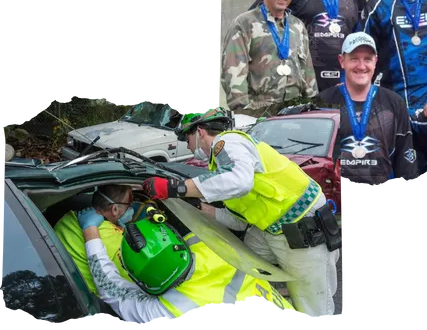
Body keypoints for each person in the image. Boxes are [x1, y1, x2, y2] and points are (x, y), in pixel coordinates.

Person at [142, 107, 343, 319]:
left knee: (313, 307)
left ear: (199, 132)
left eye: (187, 139)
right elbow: (239, 222)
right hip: (272, 230)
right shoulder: (222, 166)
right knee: (242, 263)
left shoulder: (228, 142)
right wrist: (200, 206)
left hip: (303, 231)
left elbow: (239, 181)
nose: (189, 147)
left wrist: (177, 188)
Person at [77, 204, 297, 325]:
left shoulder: (166, 314)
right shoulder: (210, 245)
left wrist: (89, 230)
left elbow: (109, 286)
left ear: (141, 282)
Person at [315, 31, 420, 185]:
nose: (361, 66)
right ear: (342, 61)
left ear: (375, 61)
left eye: (367, 59)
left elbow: (406, 161)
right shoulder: (322, 103)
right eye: (354, 59)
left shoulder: (394, 103)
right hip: (336, 196)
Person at [220, 0, 318, 114]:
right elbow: (233, 72)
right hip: (259, 113)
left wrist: (312, 108)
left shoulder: (298, 26)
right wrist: (244, 113)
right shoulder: (245, 24)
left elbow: (308, 73)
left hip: (295, 114)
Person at [54, 184, 135, 295]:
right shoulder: (121, 244)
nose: (130, 208)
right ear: (115, 209)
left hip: (62, 283)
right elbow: (128, 286)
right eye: (128, 204)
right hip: (92, 298)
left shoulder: (66, 219)